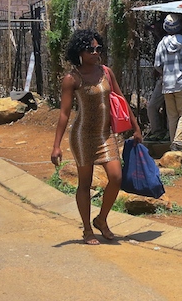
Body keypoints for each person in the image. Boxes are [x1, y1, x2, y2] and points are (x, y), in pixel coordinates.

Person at [51, 29, 142, 245]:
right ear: (79, 52)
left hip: (105, 134)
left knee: (116, 177)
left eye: (98, 48)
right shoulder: (72, 78)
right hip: (82, 136)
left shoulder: (106, 72)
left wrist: (135, 127)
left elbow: (120, 99)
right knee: (85, 183)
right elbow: (64, 114)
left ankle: (101, 219)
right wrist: (56, 146)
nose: (95, 52)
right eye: (90, 49)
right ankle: (87, 230)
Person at [154, 14, 182, 154]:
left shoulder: (161, 43)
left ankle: (174, 145)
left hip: (167, 85)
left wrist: (165, 73)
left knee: (172, 115)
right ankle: (180, 143)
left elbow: (157, 65)